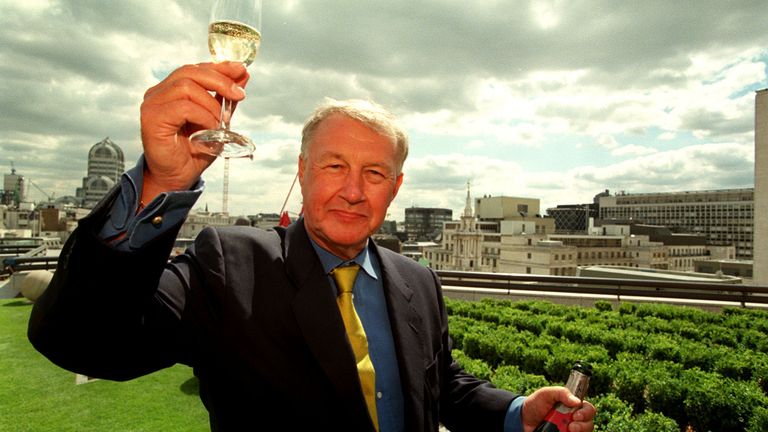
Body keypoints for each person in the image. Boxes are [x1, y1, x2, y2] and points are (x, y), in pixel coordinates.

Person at [28, 61, 596, 432]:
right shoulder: (229, 264)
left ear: (396, 188)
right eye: (333, 165)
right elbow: (84, 342)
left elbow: (439, 385)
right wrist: (162, 182)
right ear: (302, 171)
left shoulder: (416, 280)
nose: (352, 191)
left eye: (374, 173)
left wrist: (519, 411)